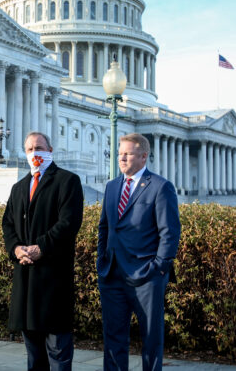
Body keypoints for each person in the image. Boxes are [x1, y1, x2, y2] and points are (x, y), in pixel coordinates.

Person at [98, 133, 181, 371]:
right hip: (112, 274)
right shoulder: (112, 186)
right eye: (119, 153)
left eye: (128, 153)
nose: (121, 158)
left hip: (147, 276)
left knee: (151, 339)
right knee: (113, 338)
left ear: (144, 156)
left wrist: (159, 268)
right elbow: (105, 227)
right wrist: (101, 261)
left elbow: (169, 232)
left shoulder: (160, 187)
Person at [1, 131, 84, 371]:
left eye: (39, 148)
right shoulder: (19, 187)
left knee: (58, 352)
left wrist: (42, 247)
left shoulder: (67, 181)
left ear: (50, 150)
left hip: (53, 278)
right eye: (29, 149)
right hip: (26, 279)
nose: (34, 153)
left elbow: (69, 222)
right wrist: (16, 249)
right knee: (34, 354)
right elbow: (8, 224)